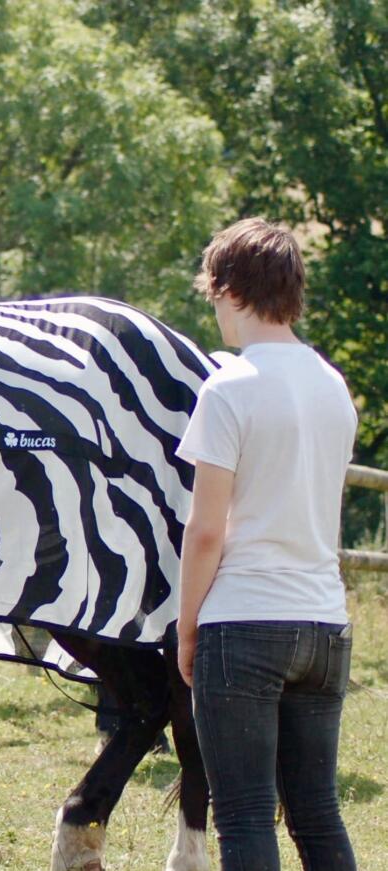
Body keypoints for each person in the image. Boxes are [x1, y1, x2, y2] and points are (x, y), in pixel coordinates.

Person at [176, 218, 357, 870]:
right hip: (325, 626)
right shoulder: (333, 385)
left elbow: (205, 531)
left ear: (227, 288)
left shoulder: (229, 388)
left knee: (246, 812)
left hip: (245, 622)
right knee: (316, 810)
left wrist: (187, 626)